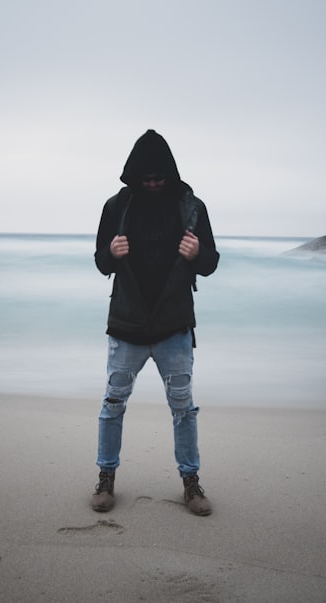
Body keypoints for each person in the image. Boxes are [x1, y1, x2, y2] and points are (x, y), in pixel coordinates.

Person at [91, 129, 220, 516]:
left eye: (157, 178)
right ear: (132, 175)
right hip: (126, 325)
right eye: (144, 179)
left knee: (183, 408)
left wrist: (197, 252)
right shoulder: (117, 206)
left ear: (170, 174)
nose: (151, 184)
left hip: (174, 325)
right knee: (113, 404)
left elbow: (211, 263)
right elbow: (100, 262)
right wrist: (111, 253)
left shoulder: (191, 207)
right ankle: (106, 479)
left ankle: (191, 484)